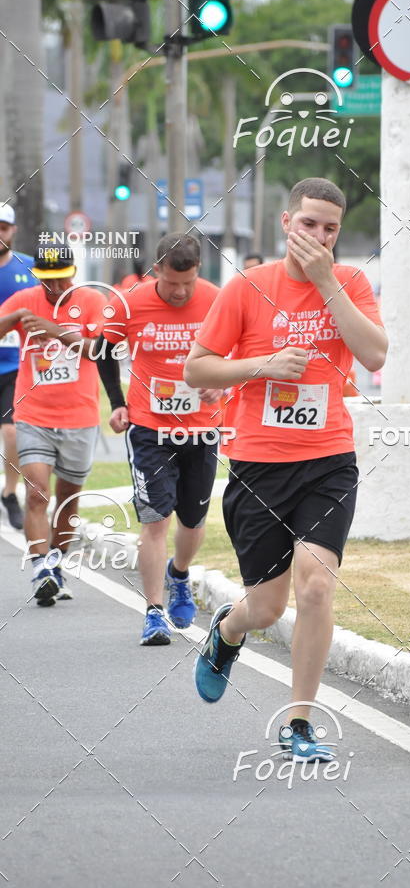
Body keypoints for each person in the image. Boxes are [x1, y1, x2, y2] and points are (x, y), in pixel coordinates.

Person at [184, 177, 387, 760]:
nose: (318, 237)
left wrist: (327, 284)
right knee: (268, 608)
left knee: (317, 585)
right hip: (259, 466)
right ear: (285, 223)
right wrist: (263, 366)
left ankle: (298, 722)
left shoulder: (348, 282)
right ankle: (228, 631)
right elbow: (197, 371)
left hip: (328, 461)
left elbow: (373, 355)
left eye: (330, 229)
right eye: (308, 225)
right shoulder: (248, 288)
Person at [96, 233, 222, 646]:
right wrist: (118, 403)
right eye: (172, 284)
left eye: (188, 282)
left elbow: (239, 353)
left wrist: (222, 386)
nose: (181, 292)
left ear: (198, 271)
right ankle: (153, 612)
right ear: (156, 273)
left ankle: (180, 574)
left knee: (193, 519)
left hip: (201, 426)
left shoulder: (217, 299)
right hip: (149, 427)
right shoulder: (129, 303)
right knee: (154, 519)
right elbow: (103, 350)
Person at [0, 243, 104, 605]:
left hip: (80, 416)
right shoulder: (25, 297)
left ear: (73, 272)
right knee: (36, 492)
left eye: (61, 280)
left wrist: (55, 329)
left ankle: (56, 564)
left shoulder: (91, 301)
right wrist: (12, 320)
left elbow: (97, 350)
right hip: (33, 414)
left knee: (67, 500)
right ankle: (40, 567)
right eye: (47, 282)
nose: (55, 288)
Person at [0, 203, 38, 530]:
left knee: (12, 432)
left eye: (3, 227)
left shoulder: (29, 267)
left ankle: (10, 493)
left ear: (13, 231)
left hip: (14, 366)